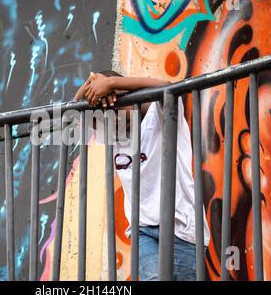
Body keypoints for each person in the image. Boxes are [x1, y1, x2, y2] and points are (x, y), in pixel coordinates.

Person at [74, 71, 210, 281]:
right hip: (143, 230)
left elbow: (166, 86)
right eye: (103, 112)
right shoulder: (111, 133)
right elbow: (72, 111)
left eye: (114, 107)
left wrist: (111, 83)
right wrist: (91, 84)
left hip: (181, 226)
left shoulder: (162, 116)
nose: (109, 117)